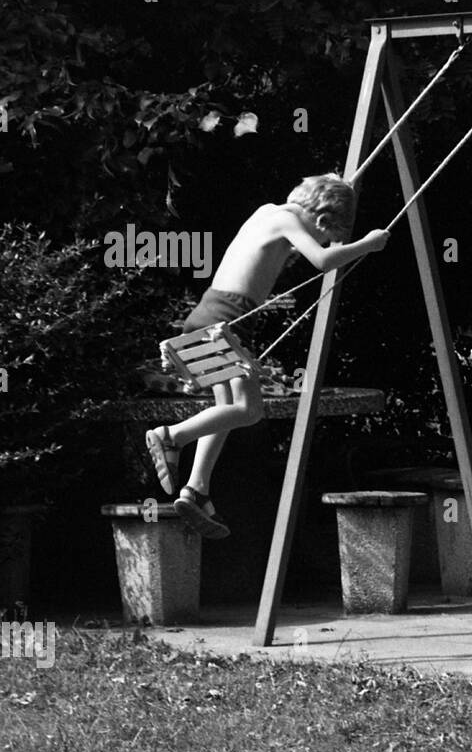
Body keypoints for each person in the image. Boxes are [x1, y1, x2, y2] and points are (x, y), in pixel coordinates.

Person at [145, 173, 389, 537]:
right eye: (326, 234)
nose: (319, 241)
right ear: (321, 220)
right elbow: (322, 261)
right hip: (225, 320)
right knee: (250, 410)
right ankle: (171, 436)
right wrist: (367, 244)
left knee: (226, 410)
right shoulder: (288, 219)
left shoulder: (268, 213)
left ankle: (196, 490)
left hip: (212, 315)